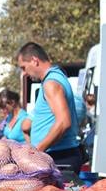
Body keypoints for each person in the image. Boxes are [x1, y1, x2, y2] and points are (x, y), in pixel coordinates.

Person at [16, 42, 82, 172]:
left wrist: (38, 151)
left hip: (60, 157)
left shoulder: (51, 83)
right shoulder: (54, 78)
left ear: (34, 60)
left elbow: (63, 122)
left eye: (24, 67)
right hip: (57, 156)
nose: (24, 73)